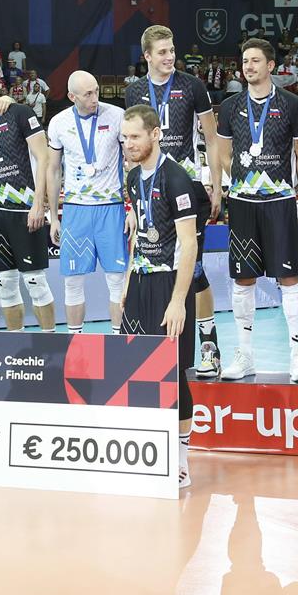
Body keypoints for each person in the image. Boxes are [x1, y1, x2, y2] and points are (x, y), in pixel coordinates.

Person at [210, 38, 298, 382]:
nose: (248, 66)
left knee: (289, 277)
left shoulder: (293, 104)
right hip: (242, 202)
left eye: (255, 61)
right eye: (245, 61)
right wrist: (243, 181)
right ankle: (245, 355)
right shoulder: (229, 106)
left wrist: (288, 187)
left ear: (270, 66)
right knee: (243, 278)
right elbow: (223, 153)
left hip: (279, 202)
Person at [125, 26, 222, 352]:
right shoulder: (134, 91)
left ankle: (208, 346)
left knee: (193, 268)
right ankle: (157, 346)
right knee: (155, 265)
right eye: (162, 52)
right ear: (147, 56)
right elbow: (132, 148)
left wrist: (216, 185)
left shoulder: (192, 85)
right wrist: (133, 204)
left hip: (186, 186)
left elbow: (212, 139)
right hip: (149, 190)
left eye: (172, 50)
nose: (170, 57)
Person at [120, 105, 199, 488]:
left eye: (135, 136)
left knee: (173, 373)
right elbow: (138, 232)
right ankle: (148, 449)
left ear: (155, 134)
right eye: (124, 137)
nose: (128, 144)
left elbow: (189, 244)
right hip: (140, 281)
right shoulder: (133, 177)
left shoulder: (177, 178)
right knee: (136, 366)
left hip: (169, 284)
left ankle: (181, 460)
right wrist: (126, 283)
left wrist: (179, 300)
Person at [0, 70, 57, 330]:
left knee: (35, 281)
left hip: (24, 208)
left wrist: (38, 204)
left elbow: (43, 157)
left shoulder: (20, 114)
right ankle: (15, 342)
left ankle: (50, 343)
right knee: (4, 283)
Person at [46, 71, 128, 333]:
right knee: (72, 281)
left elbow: (132, 161)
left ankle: (118, 342)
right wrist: (54, 217)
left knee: (116, 280)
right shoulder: (58, 123)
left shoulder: (117, 116)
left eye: (96, 91)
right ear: (72, 97)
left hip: (111, 207)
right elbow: (53, 170)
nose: (95, 98)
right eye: (88, 94)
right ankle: (76, 343)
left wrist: (132, 208)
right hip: (75, 209)